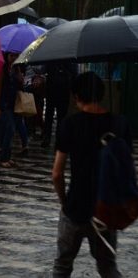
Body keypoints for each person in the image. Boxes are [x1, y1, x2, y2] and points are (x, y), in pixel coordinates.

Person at [51, 71, 130, 277]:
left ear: (76, 96)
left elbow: (57, 174)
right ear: (102, 94)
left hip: (75, 206)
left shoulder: (70, 124)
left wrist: (64, 203)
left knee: (62, 266)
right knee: (107, 266)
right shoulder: (120, 124)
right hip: (106, 208)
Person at [0, 52, 28, 168]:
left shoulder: (16, 69)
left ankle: (8, 157)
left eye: (16, 55)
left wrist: (20, 77)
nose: (13, 58)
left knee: (11, 131)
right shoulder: (2, 69)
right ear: (7, 56)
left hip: (16, 105)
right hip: (5, 104)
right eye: (11, 55)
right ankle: (4, 158)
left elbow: (22, 86)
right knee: (10, 129)